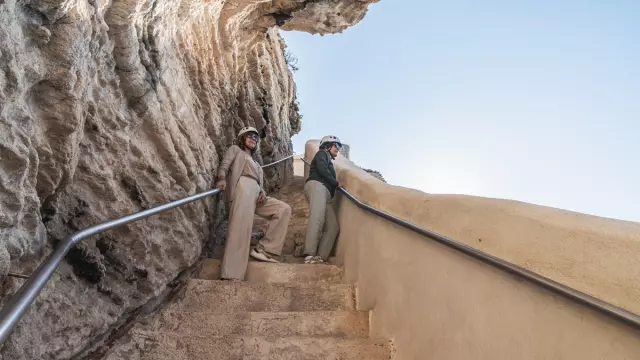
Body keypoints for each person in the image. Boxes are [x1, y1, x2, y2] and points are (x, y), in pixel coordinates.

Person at [215, 127, 292, 280]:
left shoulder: (257, 163)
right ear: (242, 137)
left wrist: (262, 191)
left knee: (283, 209)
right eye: (250, 136)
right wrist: (221, 178)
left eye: (256, 138)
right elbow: (225, 165)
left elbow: (259, 182)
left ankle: (264, 249)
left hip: (256, 193)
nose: (253, 139)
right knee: (240, 228)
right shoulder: (236, 150)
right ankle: (231, 274)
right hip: (242, 188)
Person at [303, 135, 342, 264]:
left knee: (333, 226)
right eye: (336, 145)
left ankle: (321, 256)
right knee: (317, 218)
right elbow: (322, 169)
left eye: (339, 146)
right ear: (327, 145)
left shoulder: (328, 159)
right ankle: (309, 253)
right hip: (318, 186)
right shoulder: (322, 154)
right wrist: (335, 183)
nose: (338, 149)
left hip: (326, 193)